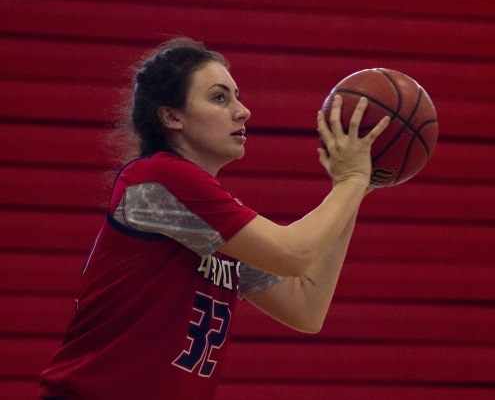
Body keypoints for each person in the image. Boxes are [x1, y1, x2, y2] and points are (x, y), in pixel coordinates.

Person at [38, 37, 390, 400]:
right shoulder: (158, 177)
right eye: (220, 98)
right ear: (171, 116)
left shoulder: (210, 217)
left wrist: (354, 193)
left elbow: (305, 309)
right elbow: (293, 253)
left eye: (237, 96)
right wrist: (349, 181)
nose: (243, 111)